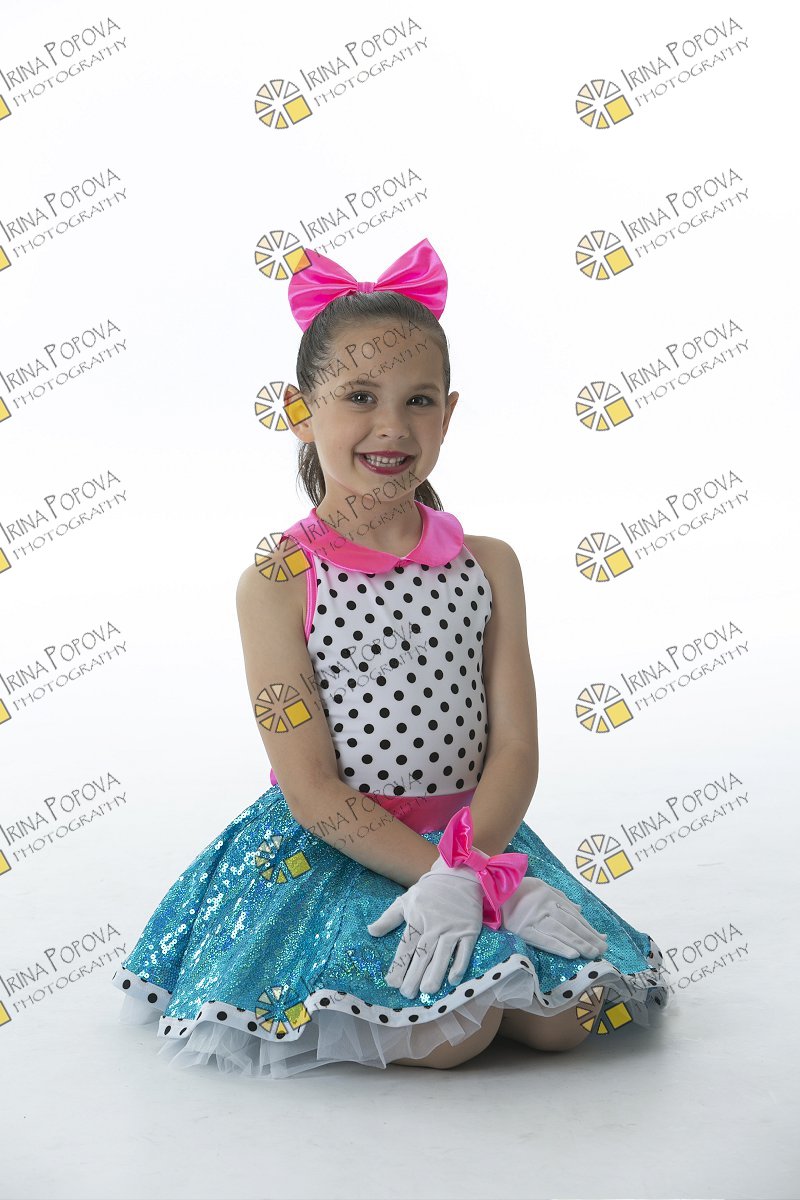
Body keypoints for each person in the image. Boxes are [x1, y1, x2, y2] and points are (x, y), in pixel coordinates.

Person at [112, 238, 671, 1078]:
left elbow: (515, 747)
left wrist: (483, 873)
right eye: (359, 397)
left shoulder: (490, 563)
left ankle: (484, 921)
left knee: (576, 1018)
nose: (391, 427)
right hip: (341, 849)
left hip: (477, 835)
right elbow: (310, 786)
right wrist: (443, 879)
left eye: (418, 401)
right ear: (301, 410)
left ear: (449, 413)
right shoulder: (277, 579)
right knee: (459, 1034)